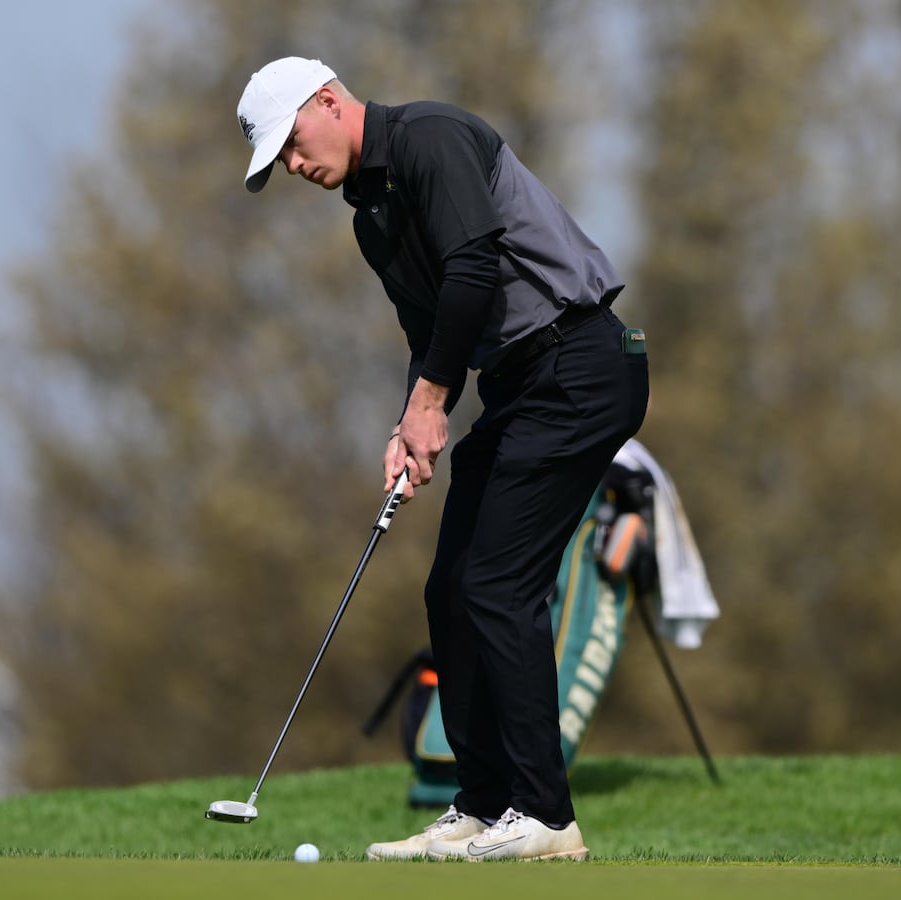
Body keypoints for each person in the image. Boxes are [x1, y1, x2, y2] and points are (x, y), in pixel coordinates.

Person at [237, 56, 648, 862]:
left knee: (499, 582)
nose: (291, 165)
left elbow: (473, 268)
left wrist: (430, 405)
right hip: (519, 385)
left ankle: (546, 816)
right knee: (453, 588)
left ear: (328, 102)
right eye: (279, 159)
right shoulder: (372, 217)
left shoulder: (431, 137)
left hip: (582, 362)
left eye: (290, 143)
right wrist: (408, 423)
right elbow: (433, 339)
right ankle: (485, 800)